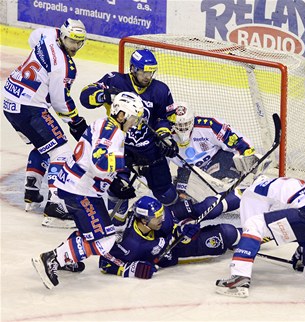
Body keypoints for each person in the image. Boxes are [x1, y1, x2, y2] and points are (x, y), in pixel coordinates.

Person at [31, 92, 144, 289]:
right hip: (80, 190)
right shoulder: (113, 133)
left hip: (76, 185)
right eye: (133, 118)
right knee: (105, 240)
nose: (134, 123)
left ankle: (68, 256)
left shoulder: (103, 124)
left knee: (92, 231)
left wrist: (116, 180)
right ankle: (52, 258)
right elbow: (98, 163)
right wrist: (124, 161)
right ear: (121, 114)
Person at [2, 19, 88, 228]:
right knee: (62, 152)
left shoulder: (48, 34)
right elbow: (60, 102)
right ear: (63, 36)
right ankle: (56, 207)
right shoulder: (63, 67)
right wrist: (76, 121)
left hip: (9, 99)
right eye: (71, 41)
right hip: (29, 108)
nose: (74, 47)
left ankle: (32, 193)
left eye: (78, 42)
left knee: (43, 145)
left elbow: (33, 38)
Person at [79, 49, 180, 221]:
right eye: (144, 72)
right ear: (133, 68)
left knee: (167, 195)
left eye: (151, 72)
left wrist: (165, 137)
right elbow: (84, 97)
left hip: (150, 150)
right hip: (120, 149)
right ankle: (118, 227)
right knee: (118, 190)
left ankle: (168, 223)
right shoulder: (115, 80)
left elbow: (166, 118)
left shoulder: (161, 90)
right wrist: (103, 95)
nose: (148, 76)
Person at [215, 176, 305, 298]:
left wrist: (244, 246)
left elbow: (254, 227)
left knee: (254, 224)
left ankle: (239, 276)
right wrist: (302, 251)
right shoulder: (296, 184)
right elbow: (298, 227)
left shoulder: (254, 190)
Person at [98, 195, 241, 279]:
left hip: (173, 224)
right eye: (156, 217)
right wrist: (133, 270)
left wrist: (183, 227)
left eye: (161, 214)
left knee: (212, 205)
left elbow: (171, 224)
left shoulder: (159, 220)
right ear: (143, 220)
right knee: (228, 233)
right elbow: (105, 263)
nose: (161, 218)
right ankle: (248, 235)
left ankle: (248, 194)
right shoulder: (130, 244)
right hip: (174, 250)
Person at [168, 102, 260, 201]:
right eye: (179, 125)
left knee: (223, 184)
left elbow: (237, 141)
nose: (183, 128)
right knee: (182, 199)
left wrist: (249, 155)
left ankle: (230, 183)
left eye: (186, 124)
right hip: (187, 169)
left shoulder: (209, 126)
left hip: (217, 161)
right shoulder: (165, 137)